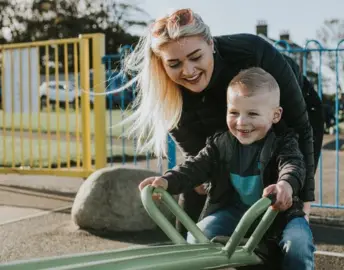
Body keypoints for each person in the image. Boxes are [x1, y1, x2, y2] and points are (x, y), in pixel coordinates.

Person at [119, 8, 324, 237]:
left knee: (275, 205)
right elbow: (200, 162)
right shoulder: (169, 94)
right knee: (199, 197)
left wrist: (304, 202)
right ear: (162, 64)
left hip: (286, 115)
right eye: (174, 64)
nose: (188, 70)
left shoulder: (252, 51)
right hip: (222, 116)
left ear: (211, 44)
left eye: (196, 57)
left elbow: (300, 127)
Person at [139, 67, 315, 269]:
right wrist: (168, 180)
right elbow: (195, 166)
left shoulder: (283, 143)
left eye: (252, 114)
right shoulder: (220, 144)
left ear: (275, 115)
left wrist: (285, 184)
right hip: (235, 211)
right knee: (198, 238)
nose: (241, 122)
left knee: (299, 244)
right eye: (234, 112)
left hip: (279, 214)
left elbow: (293, 164)